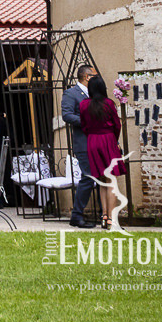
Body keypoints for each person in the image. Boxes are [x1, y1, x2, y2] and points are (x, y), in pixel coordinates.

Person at [79, 71, 123, 230]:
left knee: (101, 180)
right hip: (108, 139)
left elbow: (83, 125)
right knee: (110, 180)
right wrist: (115, 140)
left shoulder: (84, 104)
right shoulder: (109, 104)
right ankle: (111, 217)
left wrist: (91, 136)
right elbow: (117, 125)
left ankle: (104, 215)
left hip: (92, 140)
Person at [61, 66, 95, 227]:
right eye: (95, 75)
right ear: (87, 77)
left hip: (99, 141)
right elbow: (67, 115)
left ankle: (106, 215)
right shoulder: (71, 93)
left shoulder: (95, 94)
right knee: (88, 177)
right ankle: (76, 215)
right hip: (83, 142)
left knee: (102, 178)